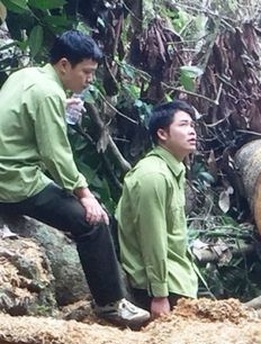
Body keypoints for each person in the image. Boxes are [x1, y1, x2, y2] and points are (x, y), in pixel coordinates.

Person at [0, 30, 149, 328]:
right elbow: (56, 155)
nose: (90, 79)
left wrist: (60, 108)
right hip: (13, 180)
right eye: (87, 72)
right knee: (92, 222)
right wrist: (85, 195)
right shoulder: (48, 93)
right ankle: (110, 304)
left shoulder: (26, 75)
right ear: (65, 65)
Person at [116, 100, 202, 319]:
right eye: (183, 125)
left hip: (179, 282)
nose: (191, 131)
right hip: (160, 290)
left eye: (192, 125)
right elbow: (152, 239)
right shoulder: (153, 176)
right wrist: (160, 295)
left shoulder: (172, 171)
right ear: (162, 134)